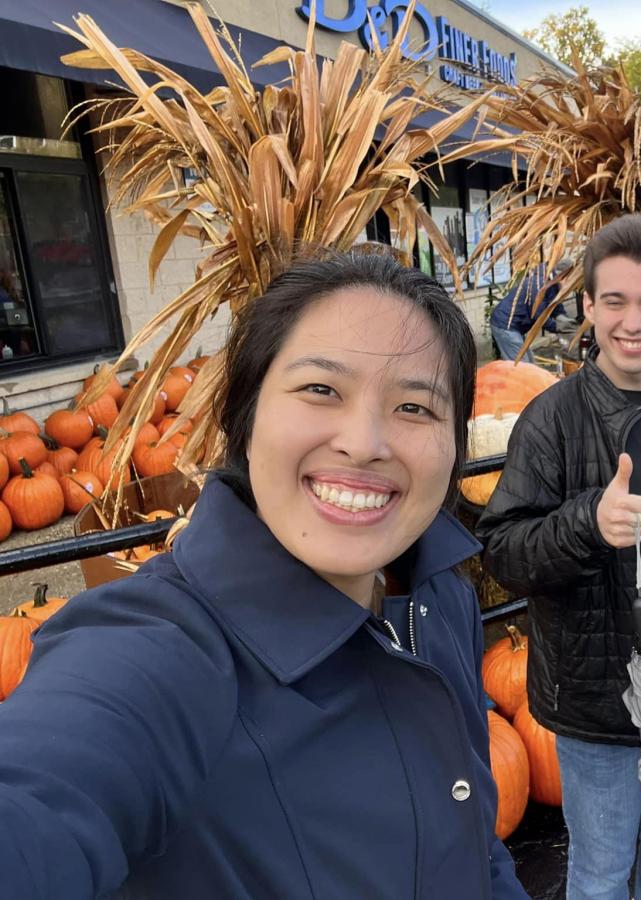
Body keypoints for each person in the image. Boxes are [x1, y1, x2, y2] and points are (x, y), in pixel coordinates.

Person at [0, 247, 526, 899]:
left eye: (415, 406)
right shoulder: (160, 655)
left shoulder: (439, 594)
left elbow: (475, 838)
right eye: (320, 389)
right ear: (243, 421)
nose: (364, 442)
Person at [477, 213, 641, 900]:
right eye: (615, 301)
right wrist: (586, 524)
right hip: (602, 705)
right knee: (600, 872)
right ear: (587, 306)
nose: (633, 321)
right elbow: (504, 549)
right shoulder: (553, 418)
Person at [489, 259, 572, 361]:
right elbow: (540, 317)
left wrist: (569, 324)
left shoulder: (553, 285)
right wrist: (560, 328)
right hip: (505, 324)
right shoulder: (539, 284)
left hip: (515, 326)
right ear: (563, 277)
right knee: (521, 367)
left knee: (530, 364)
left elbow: (557, 309)